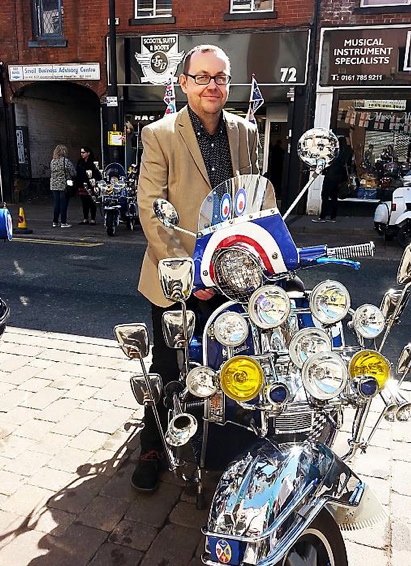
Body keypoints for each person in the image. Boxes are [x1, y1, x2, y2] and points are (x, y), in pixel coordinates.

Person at [135, 44, 260, 492]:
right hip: (178, 277)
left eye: (221, 77)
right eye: (202, 76)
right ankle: (151, 444)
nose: (212, 85)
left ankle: (224, 444)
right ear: (184, 82)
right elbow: (152, 209)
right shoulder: (160, 134)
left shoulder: (246, 132)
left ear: (229, 83)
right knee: (169, 365)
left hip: (232, 278)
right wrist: (190, 273)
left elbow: (257, 196)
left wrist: (264, 253)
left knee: (234, 360)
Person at [312, 135, 353, 223]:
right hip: (338, 178)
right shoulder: (347, 152)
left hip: (330, 176)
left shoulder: (335, 152)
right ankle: (333, 216)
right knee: (334, 197)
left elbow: (329, 162)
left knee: (325, 196)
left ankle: (323, 216)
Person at [50, 144, 76, 228]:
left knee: (56, 204)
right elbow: (73, 172)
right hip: (63, 185)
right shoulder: (66, 161)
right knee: (63, 204)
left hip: (54, 185)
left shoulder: (53, 161)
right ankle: (63, 222)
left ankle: (55, 221)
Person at [75, 146, 102, 225]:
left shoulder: (93, 162)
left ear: (88, 153)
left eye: (83, 152)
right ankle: (85, 218)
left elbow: (97, 173)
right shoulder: (80, 161)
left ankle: (93, 219)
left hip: (91, 184)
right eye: (81, 152)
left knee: (91, 201)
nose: (82, 154)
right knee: (84, 202)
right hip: (82, 184)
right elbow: (78, 172)